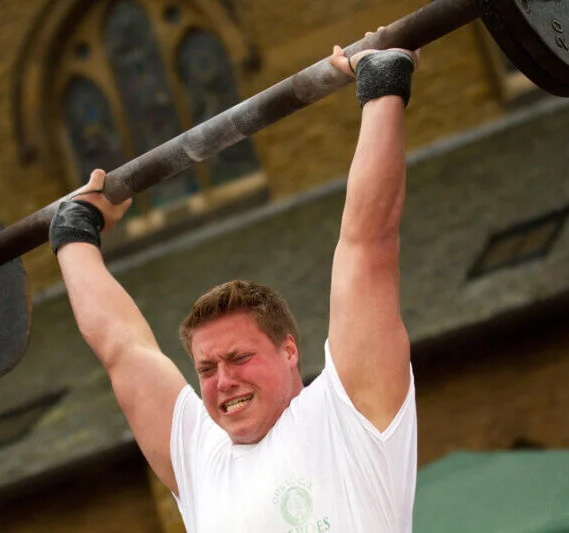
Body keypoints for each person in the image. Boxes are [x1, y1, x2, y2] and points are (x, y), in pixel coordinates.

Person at [50, 34, 418, 532]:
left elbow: (369, 245)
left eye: (240, 357)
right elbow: (120, 347)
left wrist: (382, 84)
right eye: (207, 368)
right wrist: (74, 230)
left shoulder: (347, 413)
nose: (223, 381)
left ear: (289, 350)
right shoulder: (200, 460)